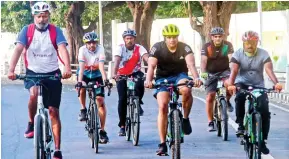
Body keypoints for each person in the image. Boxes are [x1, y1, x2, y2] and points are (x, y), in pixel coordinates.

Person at [7, 2, 72, 159]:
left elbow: (62, 49)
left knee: (53, 112)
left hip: (52, 74)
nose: (42, 19)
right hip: (33, 73)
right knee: (33, 94)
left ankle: (57, 149)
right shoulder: (26, 31)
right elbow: (18, 49)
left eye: (45, 16)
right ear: (34, 17)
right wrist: (11, 70)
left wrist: (67, 68)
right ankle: (31, 123)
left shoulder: (56, 31)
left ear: (49, 16)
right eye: (39, 16)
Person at [144, 24, 202, 155]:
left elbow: (191, 64)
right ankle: (162, 143)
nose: (172, 40)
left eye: (174, 37)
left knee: (186, 90)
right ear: (165, 38)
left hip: (180, 76)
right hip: (162, 78)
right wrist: (148, 80)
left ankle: (185, 119)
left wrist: (197, 78)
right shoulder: (157, 48)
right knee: (163, 105)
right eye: (169, 37)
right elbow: (152, 66)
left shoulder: (184, 47)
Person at [228, 30, 283, 155]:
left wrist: (276, 83)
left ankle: (262, 140)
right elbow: (234, 71)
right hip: (242, 82)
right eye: (247, 43)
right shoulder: (237, 54)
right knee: (240, 96)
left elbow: (269, 70)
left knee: (264, 111)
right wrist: (231, 84)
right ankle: (240, 125)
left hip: (258, 85)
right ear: (243, 43)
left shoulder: (264, 54)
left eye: (253, 42)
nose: (249, 46)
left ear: (257, 42)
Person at [75, 32, 110, 143]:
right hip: (84, 73)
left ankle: (102, 131)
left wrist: (106, 80)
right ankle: (83, 109)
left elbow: (101, 67)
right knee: (82, 87)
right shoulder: (82, 50)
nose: (92, 45)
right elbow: (81, 68)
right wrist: (80, 82)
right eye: (89, 43)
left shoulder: (101, 49)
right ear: (86, 44)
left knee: (100, 100)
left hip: (97, 75)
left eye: (94, 42)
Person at [113, 29, 149, 136]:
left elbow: (146, 57)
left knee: (141, 83)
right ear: (124, 39)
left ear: (134, 39)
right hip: (121, 74)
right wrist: (115, 73)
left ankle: (138, 101)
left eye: (131, 38)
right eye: (127, 38)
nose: (129, 40)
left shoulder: (139, 48)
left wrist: (151, 63)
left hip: (135, 73)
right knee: (122, 99)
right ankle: (122, 126)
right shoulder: (120, 48)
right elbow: (117, 61)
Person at [200, 27, 235, 132]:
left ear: (223, 37)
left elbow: (231, 59)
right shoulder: (207, 46)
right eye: (215, 37)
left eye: (220, 36)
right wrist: (204, 72)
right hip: (210, 73)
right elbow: (203, 61)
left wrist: (233, 70)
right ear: (212, 37)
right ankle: (210, 122)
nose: (218, 39)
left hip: (225, 72)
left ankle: (227, 101)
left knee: (230, 86)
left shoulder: (227, 45)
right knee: (210, 96)